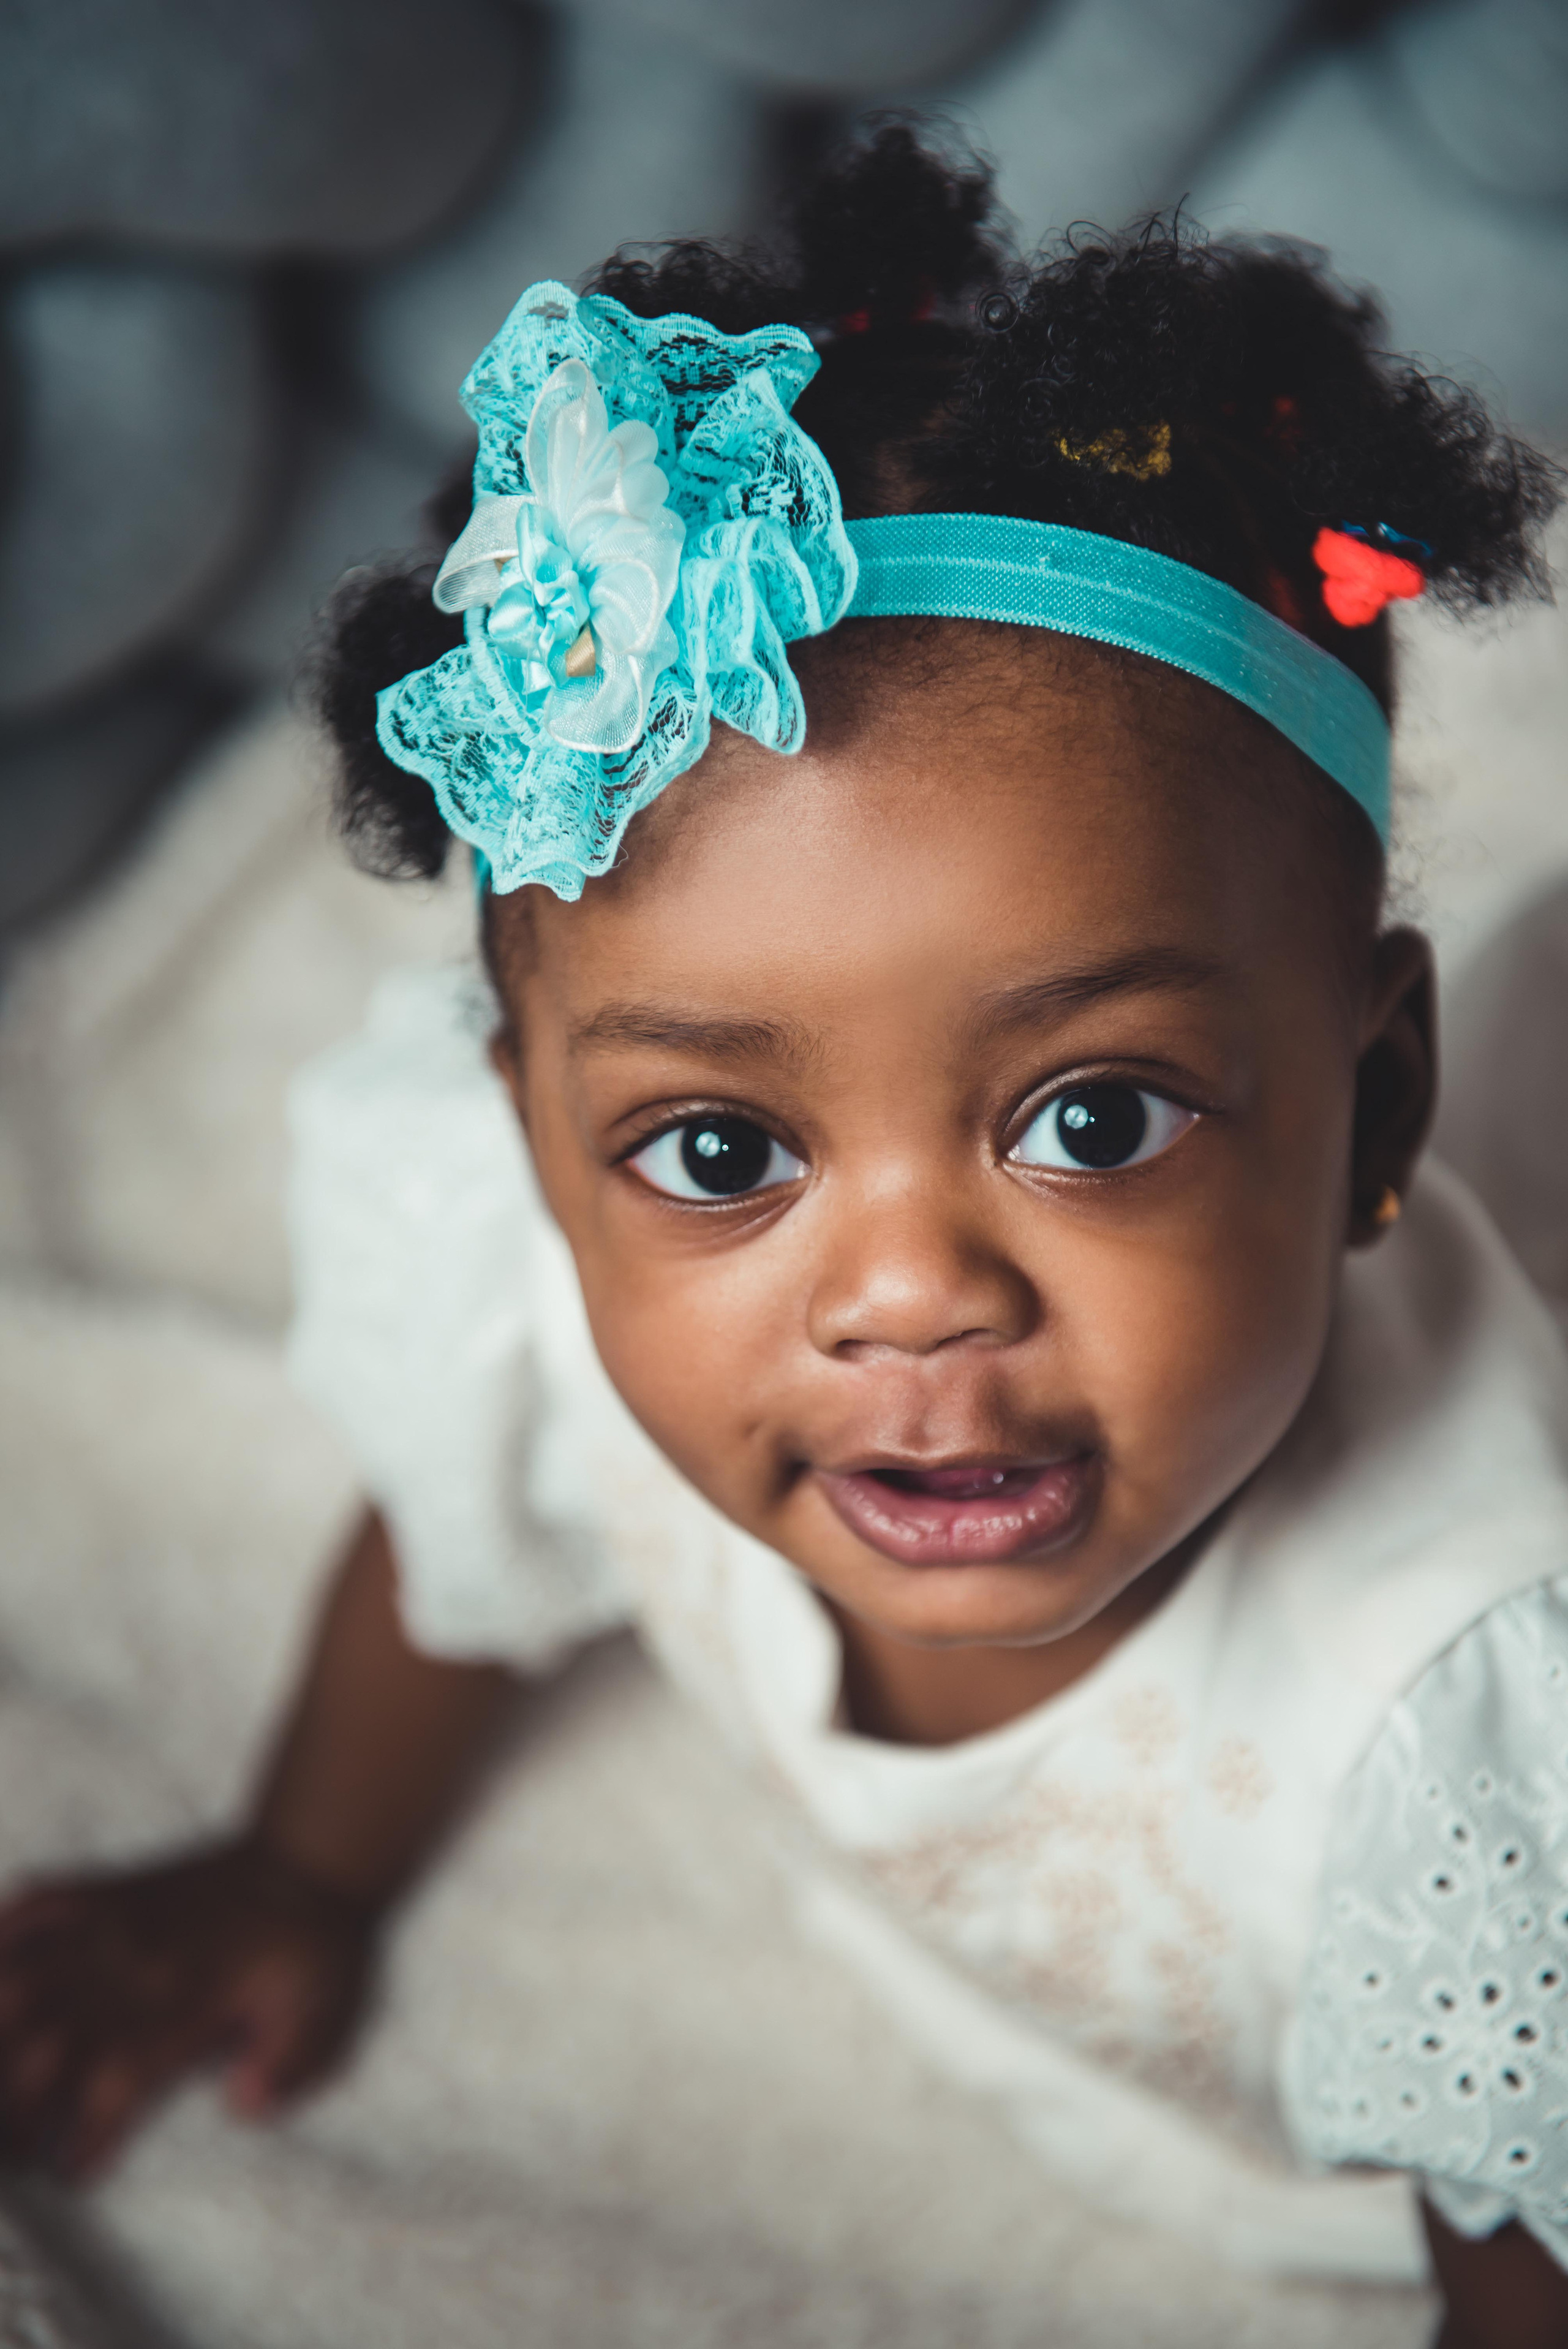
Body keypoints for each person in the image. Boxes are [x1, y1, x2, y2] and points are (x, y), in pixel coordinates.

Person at [0, 125, 1563, 2347]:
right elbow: (451, 1544)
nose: (907, 1294)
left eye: (1089, 1116)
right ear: (540, 1145)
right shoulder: (580, 1295)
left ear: (1372, 1102)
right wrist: (298, 1866)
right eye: (726, 1151)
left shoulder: (1467, 1713)